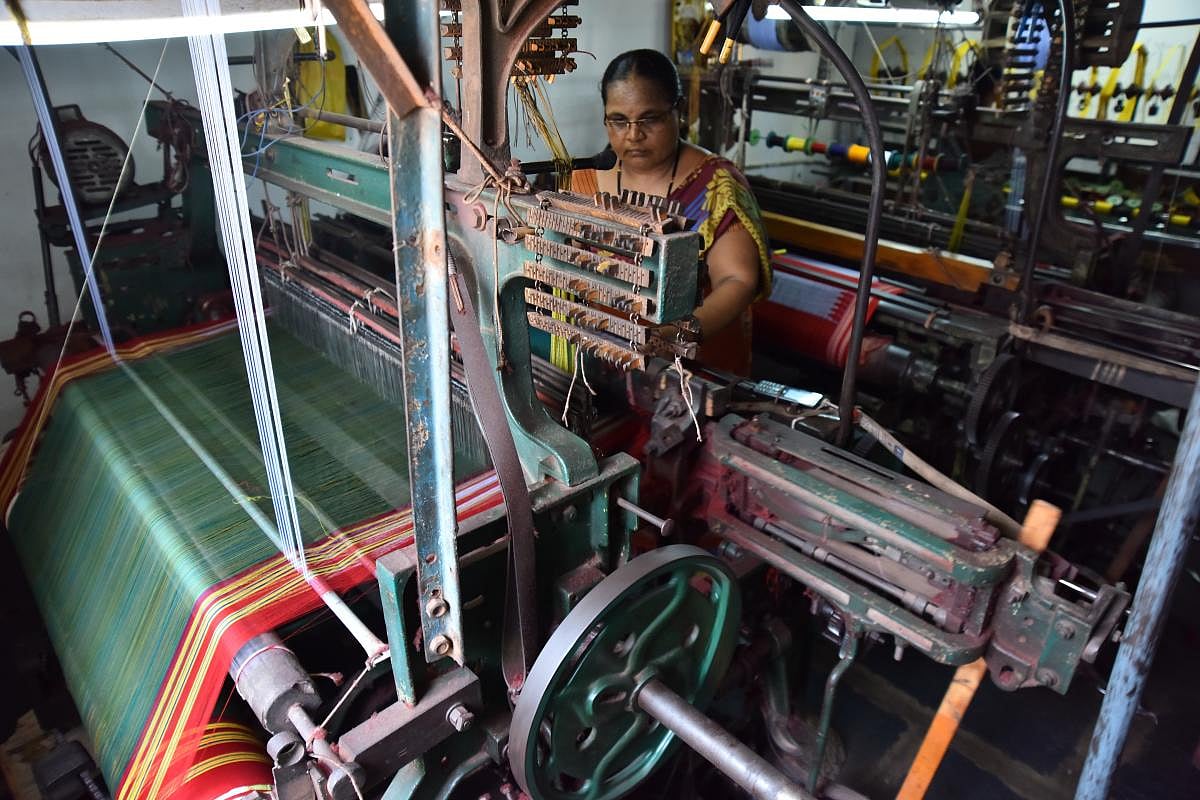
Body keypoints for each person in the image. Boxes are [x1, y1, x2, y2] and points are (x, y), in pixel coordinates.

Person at [573, 48, 772, 375]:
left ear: (677, 111)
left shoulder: (715, 187)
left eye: (649, 118)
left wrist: (670, 337)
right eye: (619, 121)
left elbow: (738, 279)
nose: (633, 135)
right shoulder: (585, 180)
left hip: (691, 373)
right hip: (605, 362)